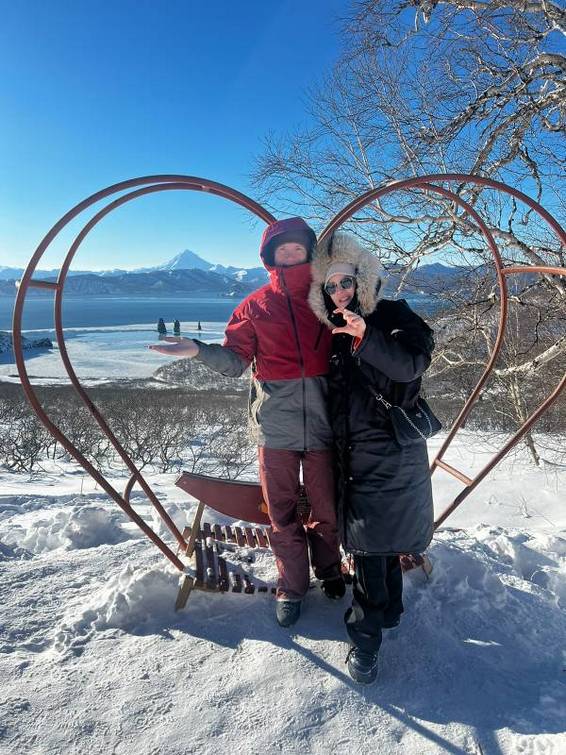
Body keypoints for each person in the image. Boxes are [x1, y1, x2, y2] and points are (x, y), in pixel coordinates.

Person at [149, 217, 345, 627]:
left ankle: (329, 571)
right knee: (282, 511)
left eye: (297, 249)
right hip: (275, 429)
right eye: (282, 250)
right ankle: (291, 586)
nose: (290, 255)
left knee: (327, 507)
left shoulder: (326, 299)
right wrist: (198, 351)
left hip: (326, 424)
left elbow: (357, 341)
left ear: (309, 252)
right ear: (270, 257)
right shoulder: (254, 307)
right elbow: (236, 361)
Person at [309, 231, 435, 684]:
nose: (340, 292)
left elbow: (408, 368)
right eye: (331, 286)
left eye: (346, 281)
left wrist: (367, 338)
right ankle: (390, 610)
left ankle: (364, 643)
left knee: (368, 548)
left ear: (365, 279)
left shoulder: (395, 317)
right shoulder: (334, 331)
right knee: (377, 543)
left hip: (390, 456)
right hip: (354, 458)